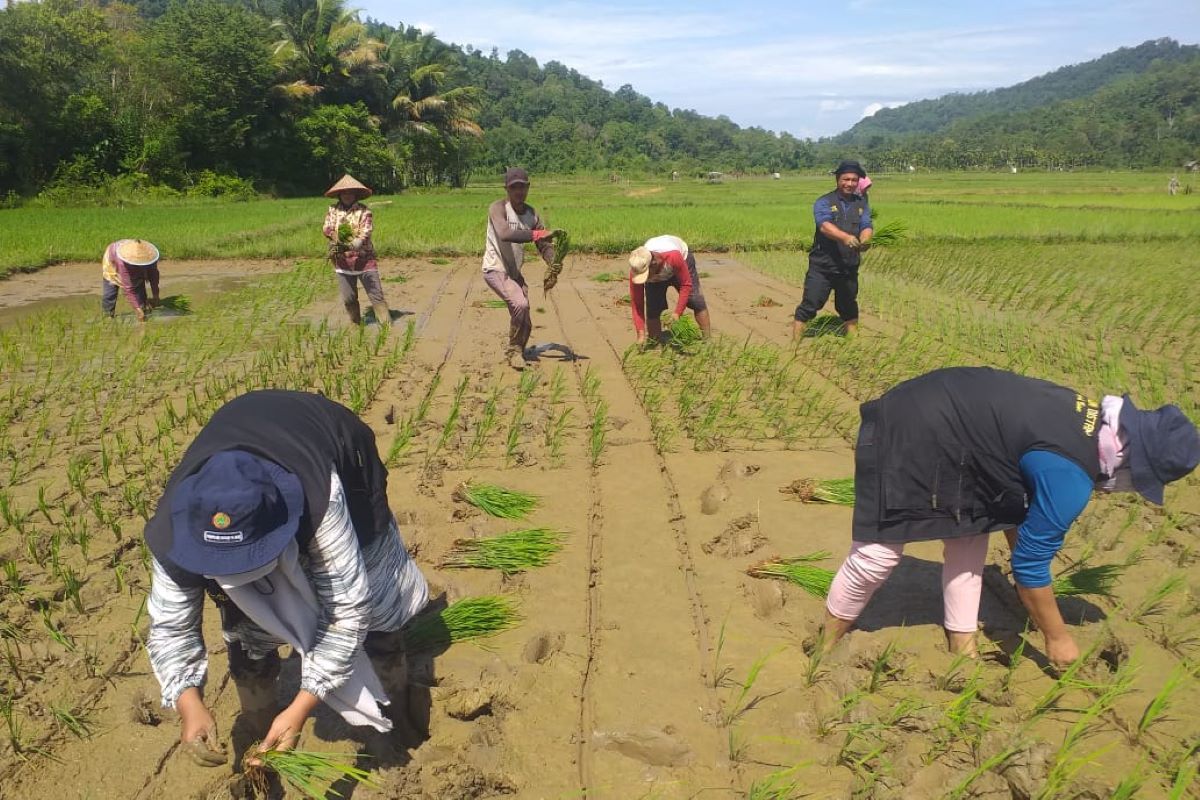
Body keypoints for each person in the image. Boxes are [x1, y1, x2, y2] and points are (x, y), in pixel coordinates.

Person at [820, 367, 1199, 667]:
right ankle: (824, 645)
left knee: (971, 532)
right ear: (1132, 461)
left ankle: (962, 646)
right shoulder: (1070, 477)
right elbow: (1030, 564)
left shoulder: (1090, 421)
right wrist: (1057, 637)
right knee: (878, 554)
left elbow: (1019, 524)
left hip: (954, 423)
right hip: (915, 424)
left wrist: (1029, 556)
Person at [143, 390, 429, 766]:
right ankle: (258, 721)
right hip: (254, 444)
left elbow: (348, 609)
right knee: (244, 627)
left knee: (375, 605)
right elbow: (170, 627)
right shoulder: (173, 531)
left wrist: (300, 708)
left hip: (335, 446)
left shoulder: (320, 497)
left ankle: (394, 713)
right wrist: (188, 702)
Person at [483, 167, 558, 370]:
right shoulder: (498, 208)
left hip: (514, 273)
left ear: (528, 187)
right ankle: (514, 352)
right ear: (506, 189)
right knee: (520, 305)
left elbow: (544, 245)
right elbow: (505, 233)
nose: (519, 192)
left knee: (526, 322)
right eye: (514, 187)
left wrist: (554, 262)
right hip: (495, 269)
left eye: (522, 187)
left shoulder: (531, 214)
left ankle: (519, 351)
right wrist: (536, 235)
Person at [792, 160, 873, 338]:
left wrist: (865, 239)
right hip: (823, 265)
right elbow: (824, 226)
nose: (850, 183)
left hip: (848, 265)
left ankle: (853, 339)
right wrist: (845, 237)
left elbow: (866, 224)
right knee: (811, 303)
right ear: (837, 179)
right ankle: (795, 343)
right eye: (846, 179)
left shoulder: (861, 204)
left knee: (848, 305)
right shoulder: (824, 202)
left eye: (854, 180)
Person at [323, 174, 390, 325]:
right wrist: (335, 237)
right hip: (342, 261)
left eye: (350, 192)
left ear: (356, 195)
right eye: (344, 192)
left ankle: (387, 327)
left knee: (376, 296)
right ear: (339, 194)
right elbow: (327, 227)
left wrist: (353, 243)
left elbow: (365, 232)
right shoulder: (333, 210)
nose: (347, 195)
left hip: (364, 259)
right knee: (349, 298)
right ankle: (356, 326)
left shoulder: (364, 211)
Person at [627, 235, 711, 344]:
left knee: (695, 300)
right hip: (659, 269)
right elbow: (637, 303)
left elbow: (686, 285)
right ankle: (655, 344)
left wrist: (677, 313)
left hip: (682, 262)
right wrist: (641, 333)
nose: (645, 279)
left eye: (646, 275)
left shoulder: (673, 256)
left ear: (653, 264)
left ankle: (707, 340)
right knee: (653, 308)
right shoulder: (637, 267)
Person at [102, 239, 161, 321]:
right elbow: (129, 288)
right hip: (112, 262)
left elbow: (154, 277)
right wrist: (137, 309)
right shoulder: (123, 263)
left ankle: (143, 307)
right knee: (110, 291)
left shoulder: (150, 258)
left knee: (139, 283)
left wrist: (156, 296)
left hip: (133, 264)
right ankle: (108, 315)